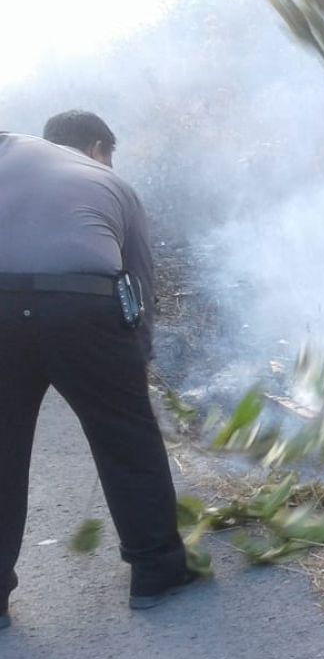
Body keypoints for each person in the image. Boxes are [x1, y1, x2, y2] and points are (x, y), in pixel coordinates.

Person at [0, 112, 196, 630]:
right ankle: (156, 572)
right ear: (98, 147)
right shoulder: (112, 183)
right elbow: (139, 282)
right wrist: (137, 362)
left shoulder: (10, 154)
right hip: (84, 306)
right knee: (127, 441)